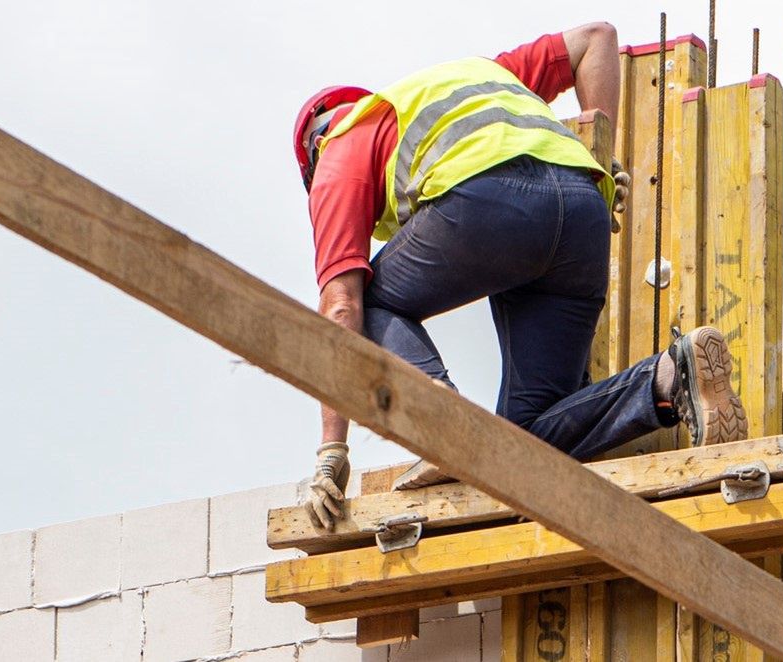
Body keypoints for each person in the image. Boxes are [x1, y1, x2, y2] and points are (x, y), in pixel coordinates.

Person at [295, 23, 747, 529]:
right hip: (583, 215)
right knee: (521, 446)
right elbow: (595, 39)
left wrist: (331, 451)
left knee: (368, 299)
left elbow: (340, 310)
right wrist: (601, 159)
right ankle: (670, 376)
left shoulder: (336, 152)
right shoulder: (474, 79)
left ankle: (441, 422)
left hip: (489, 207)